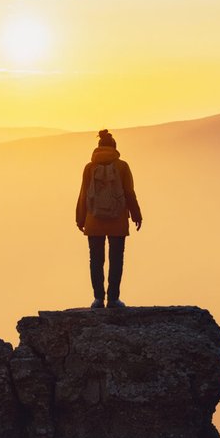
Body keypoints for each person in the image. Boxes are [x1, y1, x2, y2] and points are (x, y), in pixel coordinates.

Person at [74, 129, 142, 308]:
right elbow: (129, 193)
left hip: (93, 219)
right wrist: (136, 215)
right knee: (116, 259)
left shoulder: (89, 168)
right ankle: (113, 299)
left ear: (98, 147)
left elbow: (83, 194)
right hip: (117, 220)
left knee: (96, 260)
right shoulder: (122, 166)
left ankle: (98, 299)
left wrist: (80, 219)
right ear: (114, 147)